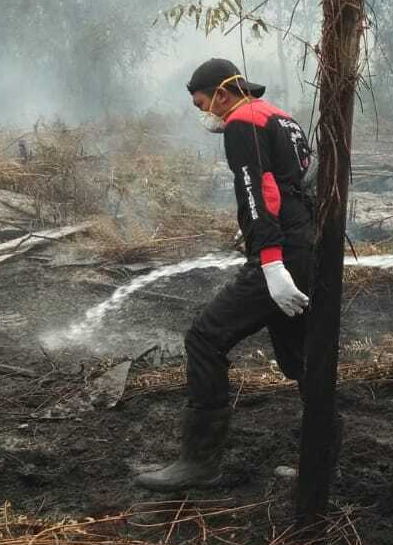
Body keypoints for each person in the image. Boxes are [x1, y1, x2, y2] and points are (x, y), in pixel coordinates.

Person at [134, 59, 314, 491]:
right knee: (302, 359)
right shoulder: (281, 118)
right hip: (304, 245)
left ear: (222, 93)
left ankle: (198, 463)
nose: (204, 114)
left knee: (204, 338)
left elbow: (258, 191)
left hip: (282, 253)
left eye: (202, 104)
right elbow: (298, 182)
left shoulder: (241, 123)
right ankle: (317, 462)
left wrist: (270, 262)